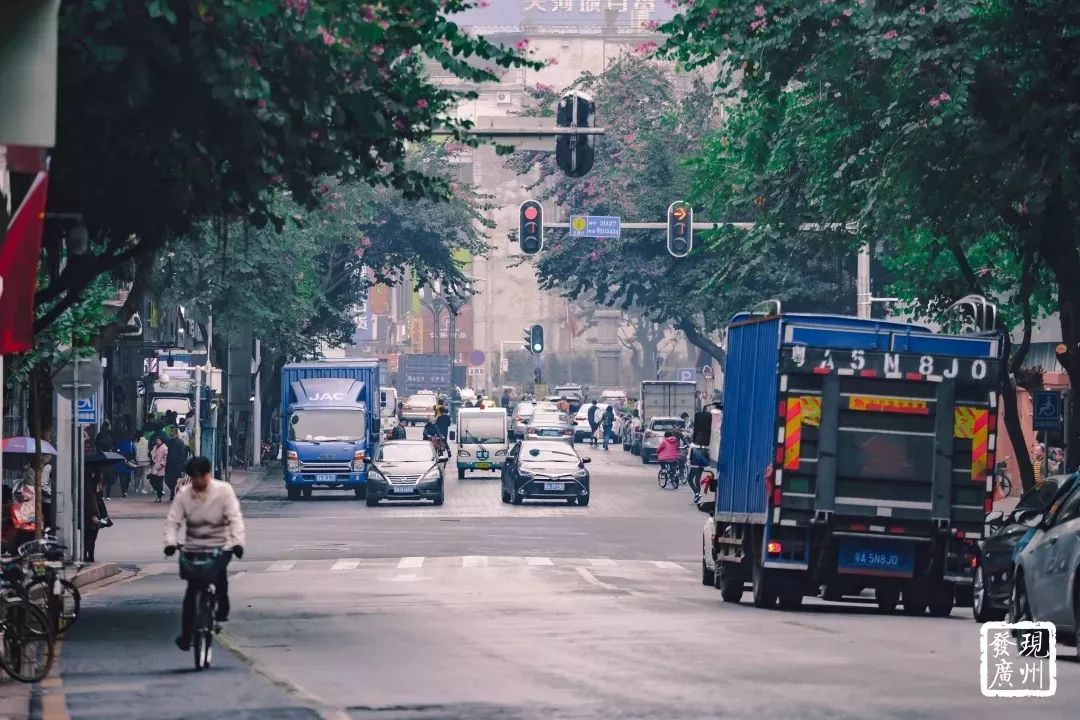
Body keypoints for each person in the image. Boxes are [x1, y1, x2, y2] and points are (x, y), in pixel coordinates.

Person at [163, 456, 246, 653]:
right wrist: (170, 543)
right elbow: (172, 522)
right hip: (193, 546)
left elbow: (235, 519)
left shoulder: (224, 491)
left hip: (220, 545)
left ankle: (221, 610)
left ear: (208, 474)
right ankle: (186, 636)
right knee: (192, 591)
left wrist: (237, 543)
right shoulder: (184, 494)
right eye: (194, 478)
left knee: (219, 578)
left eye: (200, 477)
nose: (197, 482)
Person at [84, 470, 112, 562]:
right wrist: (93, 515)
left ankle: (88, 556)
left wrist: (104, 516)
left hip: (95, 514)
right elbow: (91, 503)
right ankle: (87, 556)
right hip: (91, 515)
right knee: (89, 537)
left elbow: (99, 503)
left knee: (90, 537)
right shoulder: (89, 491)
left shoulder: (95, 489)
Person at [164, 426, 188, 502]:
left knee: (174, 481)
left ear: (176, 433)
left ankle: (173, 496)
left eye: (172, 431)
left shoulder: (180, 442)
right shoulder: (169, 441)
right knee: (168, 480)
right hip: (169, 464)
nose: (170, 433)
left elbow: (182, 454)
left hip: (177, 464)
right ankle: (173, 494)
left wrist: (181, 463)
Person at [96, 420, 118, 499]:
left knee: (101, 478)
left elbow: (96, 444)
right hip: (110, 457)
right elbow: (115, 444)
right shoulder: (111, 434)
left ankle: (101, 494)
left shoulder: (100, 434)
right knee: (109, 477)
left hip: (102, 457)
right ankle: (108, 495)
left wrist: (100, 451)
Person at [149, 433, 169, 502]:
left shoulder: (165, 448)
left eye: (158, 440)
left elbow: (165, 458)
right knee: (152, 481)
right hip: (155, 467)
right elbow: (152, 453)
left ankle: (159, 497)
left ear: (162, 441)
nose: (157, 441)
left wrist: (161, 465)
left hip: (161, 468)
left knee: (159, 483)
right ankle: (160, 492)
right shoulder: (155, 447)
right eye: (156, 440)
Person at [117, 431, 137, 498]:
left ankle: (124, 491)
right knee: (127, 478)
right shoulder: (131, 444)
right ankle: (126, 491)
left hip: (120, 462)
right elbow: (134, 453)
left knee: (121, 478)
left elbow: (116, 452)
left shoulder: (119, 443)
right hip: (128, 463)